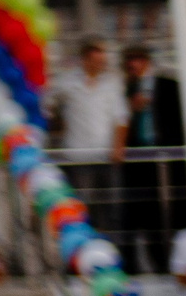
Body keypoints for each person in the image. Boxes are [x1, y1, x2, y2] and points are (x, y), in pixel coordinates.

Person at [119, 46, 186, 274]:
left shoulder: (168, 85)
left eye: (135, 60)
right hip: (140, 162)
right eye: (128, 61)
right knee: (144, 215)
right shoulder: (127, 90)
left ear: (145, 60)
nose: (131, 66)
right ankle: (152, 264)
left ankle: (171, 263)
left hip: (168, 161)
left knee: (171, 213)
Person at [50, 40, 129, 226]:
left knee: (110, 206)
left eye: (102, 60)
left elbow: (121, 117)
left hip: (105, 155)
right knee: (82, 205)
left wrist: (118, 146)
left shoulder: (112, 84)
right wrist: (59, 122)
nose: (100, 64)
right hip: (78, 155)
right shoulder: (67, 82)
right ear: (85, 60)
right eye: (96, 60)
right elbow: (49, 104)